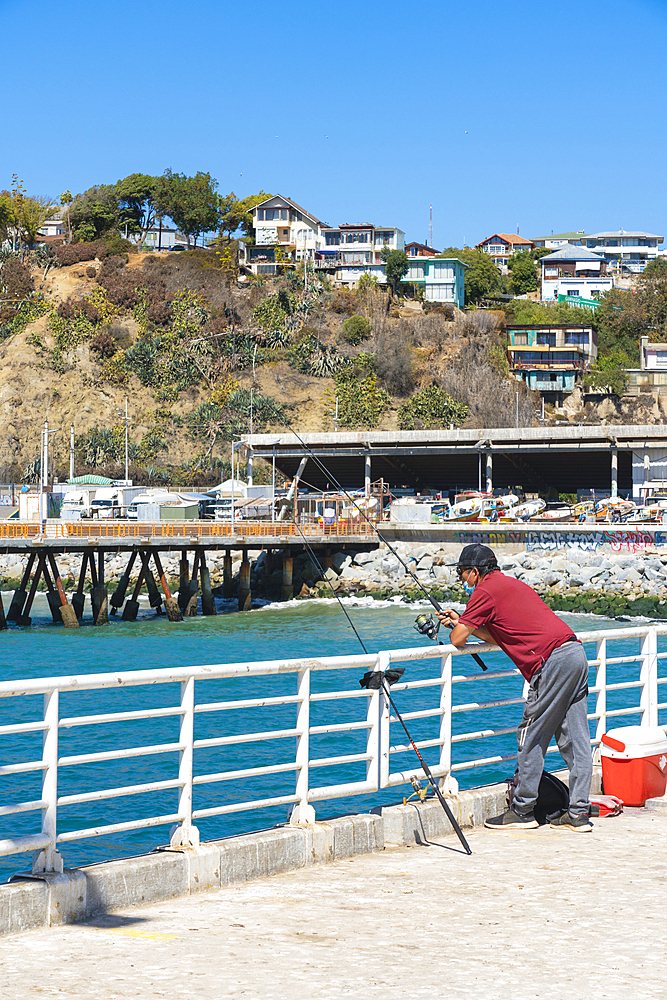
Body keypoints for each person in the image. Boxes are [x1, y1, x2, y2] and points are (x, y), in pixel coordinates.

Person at [438, 543, 592, 832]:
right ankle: (579, 813)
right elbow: (500, 637)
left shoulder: (484, 590)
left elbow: (457, 640)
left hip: (551, 663)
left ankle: (522, 811)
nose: (461, 579)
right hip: (574, 653)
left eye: (462, 573)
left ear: (475, 571)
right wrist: (463, 620)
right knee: (577, 740)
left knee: (531, 735)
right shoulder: (510, 585)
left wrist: (458, 625)